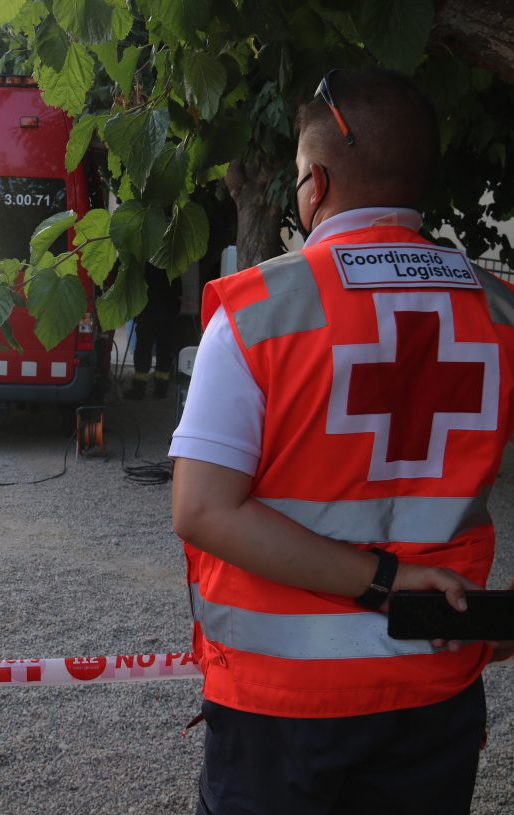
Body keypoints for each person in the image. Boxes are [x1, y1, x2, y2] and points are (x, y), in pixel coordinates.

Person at [170, 69, 514, 814]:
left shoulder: (258, 309)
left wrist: (381, 582)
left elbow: (202, 510)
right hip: (434, 690)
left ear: (315, 183)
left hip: (280, 705)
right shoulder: (501, 311)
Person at [127, 265, 180, 399]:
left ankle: (139, 390)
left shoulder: (148, 263)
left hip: (148, 313)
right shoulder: (173, 264)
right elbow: (178, 291)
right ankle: (161, 389)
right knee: (164, 351)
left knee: (144, 350)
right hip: (167, 314)